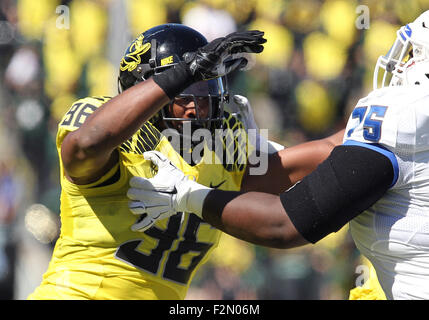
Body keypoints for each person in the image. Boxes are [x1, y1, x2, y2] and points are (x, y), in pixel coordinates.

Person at [127, 11, 429, 300]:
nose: (403, 63)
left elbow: (284, 223)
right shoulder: (415, 123)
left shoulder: (405, 116)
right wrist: (263, 152)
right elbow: (333, 150)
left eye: (413, 55)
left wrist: (188, 195)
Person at [29, 23, 343, 300]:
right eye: (184, 93)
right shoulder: (110, 135)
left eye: (206, 90)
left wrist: (383, 113)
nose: (197, 107)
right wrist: (183, 73)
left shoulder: (222, 149)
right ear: (145, 89)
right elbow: (85, 144)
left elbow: (326, 151)